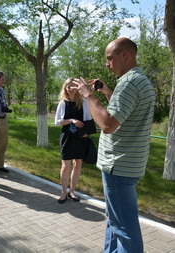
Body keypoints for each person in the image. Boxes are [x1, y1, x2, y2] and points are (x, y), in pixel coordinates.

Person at [74, 37, 155, 252]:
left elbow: (108, 124)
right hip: (127, 164)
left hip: (118, 165)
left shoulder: (128, 82)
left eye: (109, 59)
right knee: (114, 221)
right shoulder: (139, 80)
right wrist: (107, 92)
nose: (107, 64)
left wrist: (88, 95)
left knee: (124, 229)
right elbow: (122, 113)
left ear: (125, 55)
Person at [55, 78, 93, 204]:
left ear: (77, 88)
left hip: (80, 137)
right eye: (67, 87)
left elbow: (88, 119)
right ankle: (63, 192)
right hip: (67, 137)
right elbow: (57, 122)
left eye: (72, 86)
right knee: (65, 166)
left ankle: (72, 191)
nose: (70, 89)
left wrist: (86, 133)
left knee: (77, 163)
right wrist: (71, 120)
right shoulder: (62, 103)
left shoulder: (84, 103)